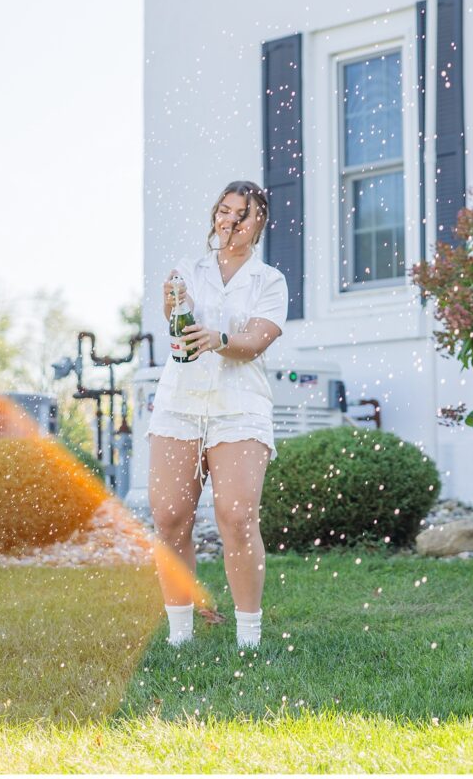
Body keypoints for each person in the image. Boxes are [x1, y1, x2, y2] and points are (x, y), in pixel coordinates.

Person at [145, 180, 288, 649]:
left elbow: (256, 342)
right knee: (169, 518)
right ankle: (179, 635)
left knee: (237, 516)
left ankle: (249, 637)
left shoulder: (269, 281)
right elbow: (173, 315)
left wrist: (220, 340)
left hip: (239, 407)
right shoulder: (190, 269)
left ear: (258, 222)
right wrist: (173, 300)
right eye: (224, 211)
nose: (230, 221)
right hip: (180, 404)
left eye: (242, 214)